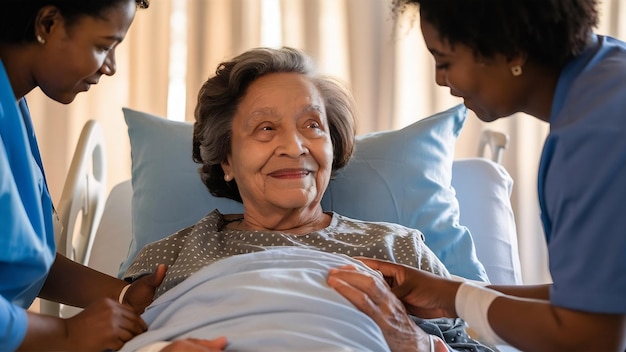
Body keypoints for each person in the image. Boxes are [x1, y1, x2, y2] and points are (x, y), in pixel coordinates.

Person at [120, 46, 484, 352]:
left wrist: (411, 341)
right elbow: (105, 337)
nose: (294, 147)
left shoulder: (398, 251)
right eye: (266, 128)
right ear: (227, 159)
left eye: (312, 125)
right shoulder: (169, 256)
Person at [327, 0, 626, 351]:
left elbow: (592, 335)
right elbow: (596, 296)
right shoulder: (608, 72)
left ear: (511, 50)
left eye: (445, 62)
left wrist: (459, 299)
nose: (441, 80)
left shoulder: (593, 138)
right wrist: (450, 293)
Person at [0, 1, 227, 351]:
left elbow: (21, 258)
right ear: (47, 24)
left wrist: (123, 294)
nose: (111, 67)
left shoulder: (11, 105)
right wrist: (66, 334)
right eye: (103, 46)